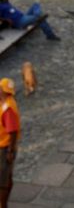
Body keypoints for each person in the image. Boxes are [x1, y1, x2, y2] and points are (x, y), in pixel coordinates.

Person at [0, 78, 20, 208]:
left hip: (4, 148)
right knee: (6, 177)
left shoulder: (7, 109)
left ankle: (3, 205)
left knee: (2, 180)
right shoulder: (5, 103)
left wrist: (10, 151)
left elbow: (12, 131)